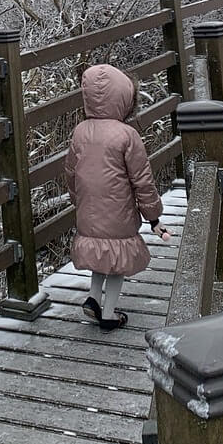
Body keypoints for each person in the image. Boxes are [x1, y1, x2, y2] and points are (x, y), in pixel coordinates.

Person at [64, 63, 172, 330]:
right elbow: (142, 180)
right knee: (117, 263)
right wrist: (153, 216)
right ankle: (109, 313)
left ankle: (92, 298)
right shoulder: (127, 135)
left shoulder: (80, 131)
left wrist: (77, 199)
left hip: (89, 209)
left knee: (101, 257)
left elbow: (70, 171)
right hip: (119, 212)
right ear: (124, 99)